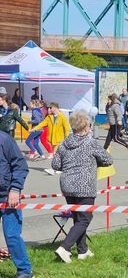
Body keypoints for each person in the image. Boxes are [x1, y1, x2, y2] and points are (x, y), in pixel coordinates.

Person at [52, 111, 113, 263]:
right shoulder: (90, 142)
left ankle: (82, 250)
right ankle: (65, 247)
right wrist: (94, 163)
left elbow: (55, 165)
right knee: (85, 218)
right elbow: (108, 159)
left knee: (78, 218)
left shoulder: (64, 143)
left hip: (67, 185)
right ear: (86, 126)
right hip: (84, 185)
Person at [0, 130, 33, 277]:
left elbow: (20, 165)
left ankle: (24, 270)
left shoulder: (4, 140)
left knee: (12, 235)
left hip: (7, 198)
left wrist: (15, 189)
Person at [30, 102, 70, 174]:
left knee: (54, 153)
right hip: (52, 139)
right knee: (57, 154)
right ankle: (61, 168)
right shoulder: (49, 117)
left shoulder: (62, 116)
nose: (49, 109)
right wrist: (34, 129)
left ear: (55, 107)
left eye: (50, 108)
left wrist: (67, 138)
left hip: (59, 139)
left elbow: (66, 128)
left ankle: (53, 169)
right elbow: (42, 124)